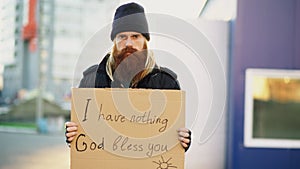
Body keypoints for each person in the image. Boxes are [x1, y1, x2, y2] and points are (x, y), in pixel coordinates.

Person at [65, 2, 191, 151]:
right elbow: (79, 133)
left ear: (145, 41)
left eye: (135, 36)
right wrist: (70, 133)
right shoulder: (90, 80)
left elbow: (174, 137)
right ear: (114, 42)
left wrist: (184, 139)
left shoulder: (166, 83)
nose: (128, 43)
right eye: (122, 36)